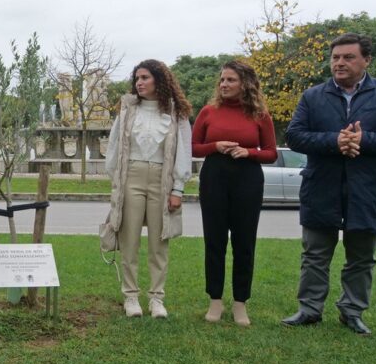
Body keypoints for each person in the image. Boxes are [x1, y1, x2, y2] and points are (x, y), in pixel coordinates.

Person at [282, 33, 376, 335]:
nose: (339, 63)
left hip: (369, 189)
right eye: (335, 58)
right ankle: (309, 309)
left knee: (361, 257)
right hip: (322, 187)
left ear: (366, 60)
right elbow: (294, 136)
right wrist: (336, 140)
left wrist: (364, 140)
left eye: (348, 57)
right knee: (315, 254)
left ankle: (352, 311)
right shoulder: (313, 96)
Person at [104, 59, 192, 318]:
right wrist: (116, 181)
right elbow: (114, 146)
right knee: (128, 240)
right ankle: (130, 297)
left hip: (161, 180)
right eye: (137, 79)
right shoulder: (128, 110)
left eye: (145, 78)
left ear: (159, 80)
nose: (139, 83)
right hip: (131, 176)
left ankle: (156, 298)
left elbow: (183, 152)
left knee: (159, 242)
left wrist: (178, 188)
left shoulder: (176, 113)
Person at [192, 61, 277, 326]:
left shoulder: (259, 114)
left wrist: (249, 152)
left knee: (244, 243)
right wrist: (215, 145)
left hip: (248, 179)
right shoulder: (208, 111)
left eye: (230, 80)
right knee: (214, 241)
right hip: (214, 177)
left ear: (245, 84)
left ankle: (240, 303)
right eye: (222, 80)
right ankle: (215, 300)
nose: (224, 85)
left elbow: (272, 153)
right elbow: (193, 147)